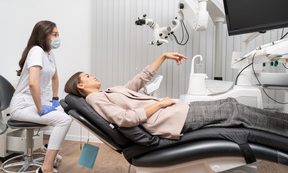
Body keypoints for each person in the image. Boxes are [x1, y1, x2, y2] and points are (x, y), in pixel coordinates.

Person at [64, 52, 288, 140]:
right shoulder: (94, 99)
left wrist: (163, 56)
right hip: (170, 118)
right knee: (233, 111)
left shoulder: (107, 92)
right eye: (87, 76)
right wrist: (160, 104)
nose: (93, 76)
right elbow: (125, 119)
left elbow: (140, 79)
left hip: (175, 112)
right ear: (81, 86)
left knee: (232, 105)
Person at [9, 21, 72, 173]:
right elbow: (33, 83)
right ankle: (46, 168)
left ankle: (50, 152)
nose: (58, 38)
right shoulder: (36, 51)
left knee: (65, 114)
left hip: (36, 102)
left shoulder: (49, 54)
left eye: (58, 34)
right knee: (64, 121)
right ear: (44, 35)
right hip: (22, 105)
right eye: (55, 34)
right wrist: (40, 108)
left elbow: (55, 77)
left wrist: (55, 100)